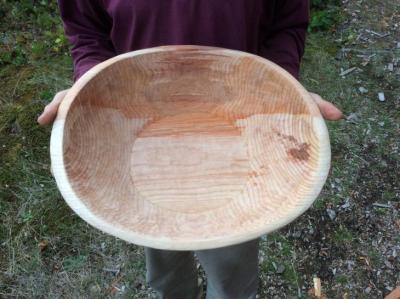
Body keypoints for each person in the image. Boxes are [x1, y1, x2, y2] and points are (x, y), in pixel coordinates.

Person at [38, 1, 343, 298]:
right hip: (140, 148)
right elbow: (86, 30)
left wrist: (280, 90)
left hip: (239, 147)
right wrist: (90, 90)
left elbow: (286, 23)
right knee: (166, 273)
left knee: (231, 278)